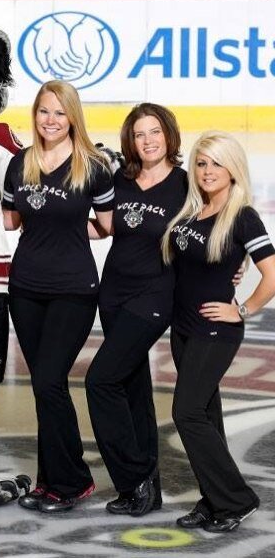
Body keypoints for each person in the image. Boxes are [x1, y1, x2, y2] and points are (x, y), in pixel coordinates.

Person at [2, 80, 114, 513]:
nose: (50, 120)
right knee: (43, 386)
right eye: (44, 112)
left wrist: (69, 229)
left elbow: (108, 226)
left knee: (50, 381)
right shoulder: (21, 163)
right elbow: (12, 221)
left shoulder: (93, 166)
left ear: (73, 117)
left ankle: (72, 482)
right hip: (26, 287)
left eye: (59, 113)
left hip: (73, 289)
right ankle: (51, 479)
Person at [161, 131, 275, 533]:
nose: (208, 171)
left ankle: (236, 499)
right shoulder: (194, 211)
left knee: (186, 412)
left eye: (217, 163)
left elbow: (272, 273)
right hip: (184, 328)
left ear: (233, 169)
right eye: (201, 162)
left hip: (214, 329)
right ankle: (213, 500)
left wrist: (243, 309)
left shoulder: (242, 215)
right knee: (207, 416)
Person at [85, 103, 186, 516]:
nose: (148, 141)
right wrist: (61, 222)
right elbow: (104, 226)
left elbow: (214, 226)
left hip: (154, 295)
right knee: (133, 388)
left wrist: (228, 271)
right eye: (140, 134)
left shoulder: (185, 184)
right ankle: (147, 490)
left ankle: (134, 476)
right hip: (113, 293)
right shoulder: (119, 180)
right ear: (131, 140)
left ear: (168, 136)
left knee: (100, 381)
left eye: (155, 132)